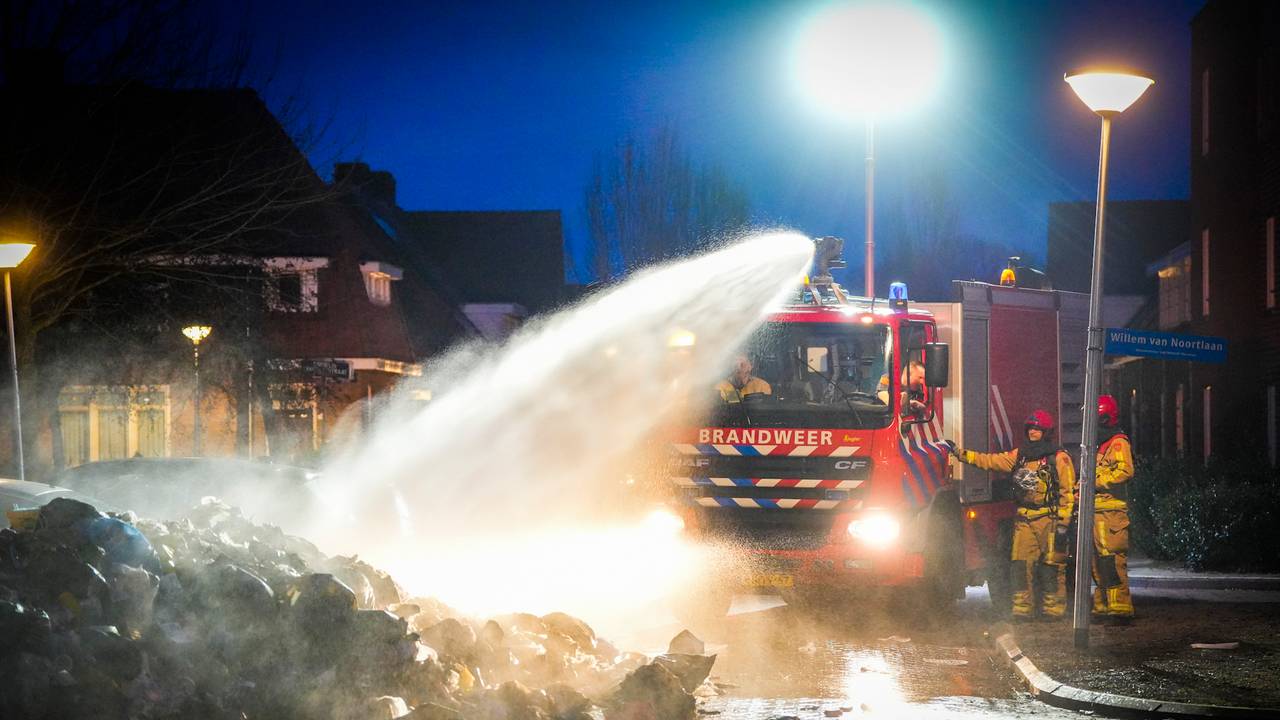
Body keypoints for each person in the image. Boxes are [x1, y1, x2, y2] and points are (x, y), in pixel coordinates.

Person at [947, 410, 1075, 620]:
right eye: (1031, 428)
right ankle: (1022, 609)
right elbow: (990, 461)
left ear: (1046, 432)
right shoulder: (1020, 455)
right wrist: (960, 454)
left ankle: (1053, 610)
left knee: (1052, 567)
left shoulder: (1059, 458)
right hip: (1025, 519)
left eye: (1038, 429)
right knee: (1020, 565)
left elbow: (1067, 493)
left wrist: (1063, 525)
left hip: (1049, 520)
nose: (1033, 432)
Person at [1091, 394, 1135, 621]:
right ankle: (1103, 606)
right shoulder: (1100, 444)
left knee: (1111, 560)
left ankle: (1119, 608)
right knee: (1098, 563)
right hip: (1098, 512)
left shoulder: (1117, 442)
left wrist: (1096, 481)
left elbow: (1125, 471)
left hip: (1111, 513)